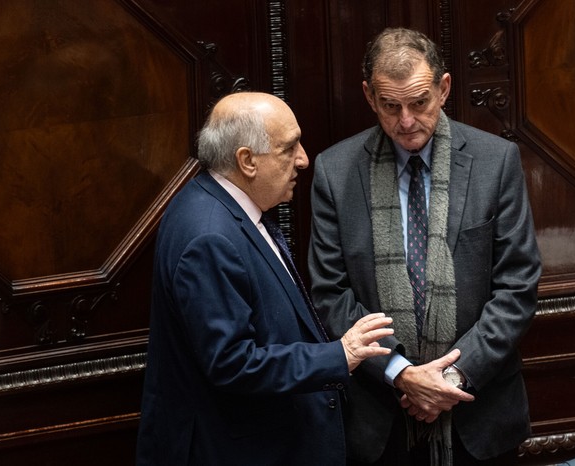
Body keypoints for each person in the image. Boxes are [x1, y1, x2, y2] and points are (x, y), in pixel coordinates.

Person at [308, 28, 542, 466]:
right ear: (369, 96)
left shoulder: (497, 162)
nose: (407, 121)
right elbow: (330, 294)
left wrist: (448, 379)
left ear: (444, 88)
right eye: (391, 106)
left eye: (420, 102)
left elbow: (517, 288)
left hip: (480, 413)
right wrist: (402, 375)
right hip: (381, 420)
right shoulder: (334, 173)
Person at [136, 91, 394, 466]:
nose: (304, 160)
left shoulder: (215, 203)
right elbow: (233, 363)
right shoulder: (210, 235)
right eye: (289, 148)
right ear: (247, 161)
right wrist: (340, 355)